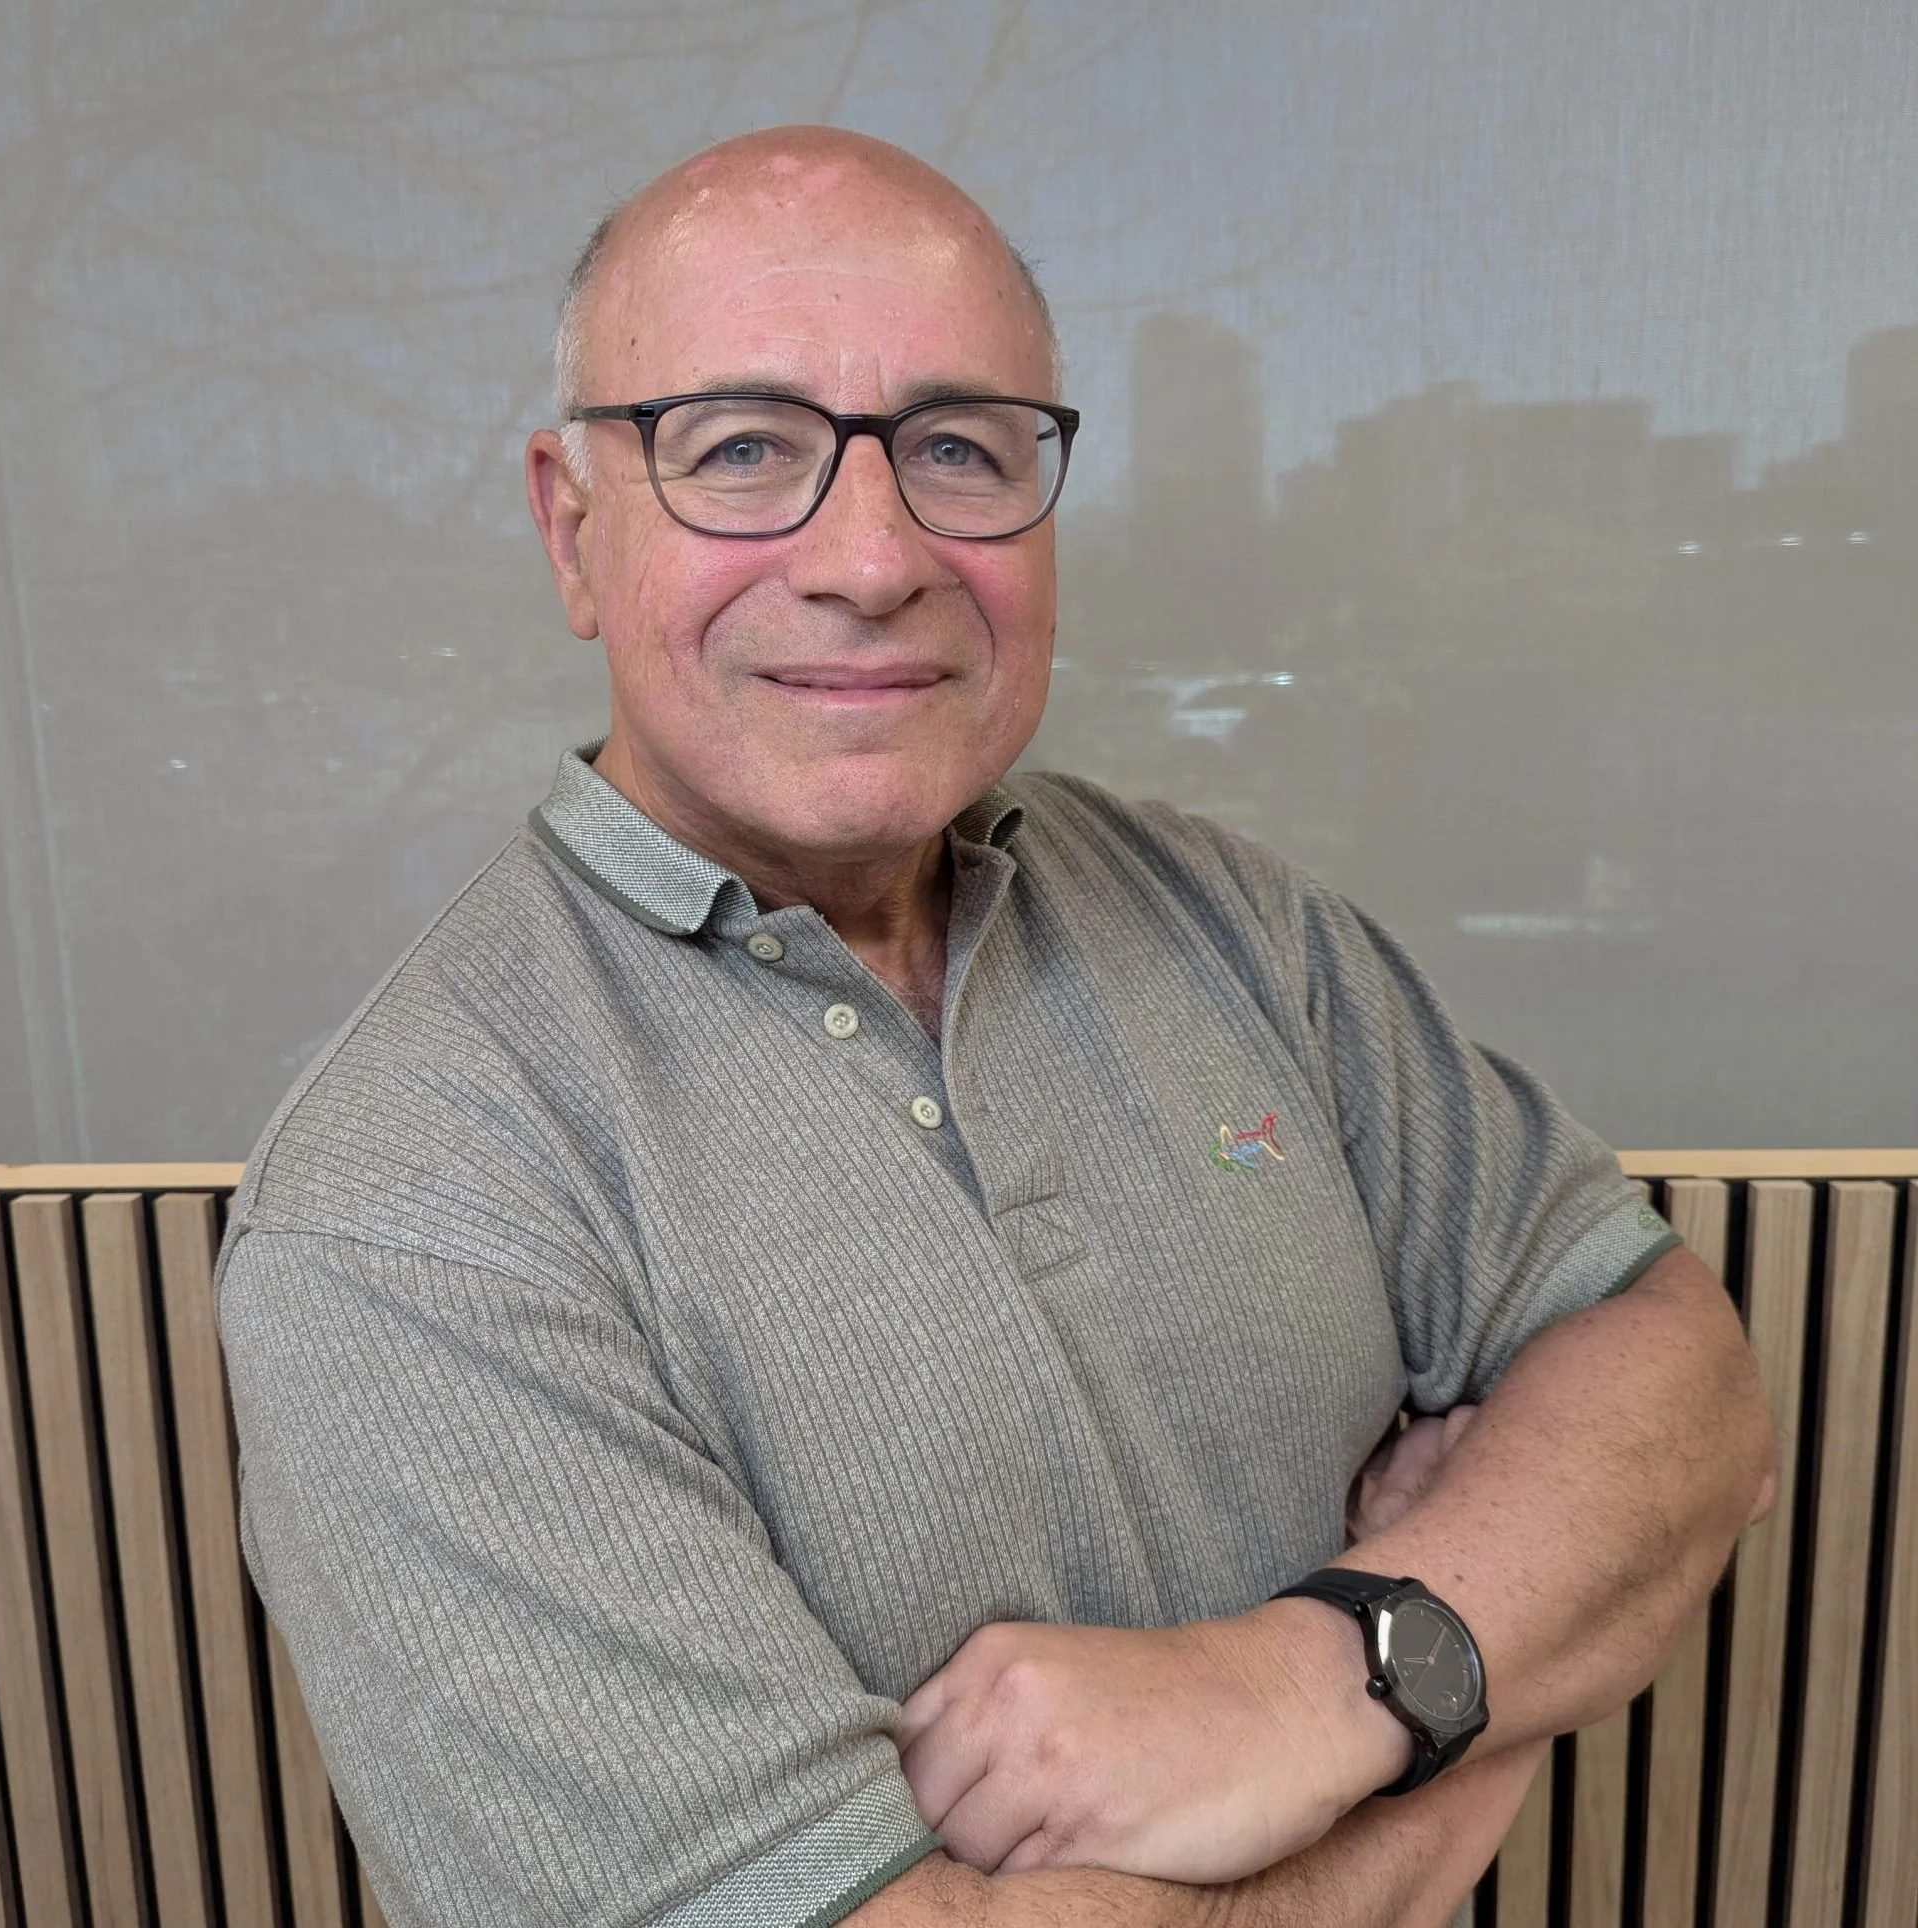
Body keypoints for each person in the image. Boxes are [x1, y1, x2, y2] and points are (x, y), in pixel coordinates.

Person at [215, 125, 1774, 1928]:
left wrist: (1310, 1679)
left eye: (958, 449)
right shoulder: (409, 1207)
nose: (873, 556)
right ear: (576, 533)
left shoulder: (1234, 923)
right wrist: (1473, 1712)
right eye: (743, 453)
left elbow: (1685, 1388)